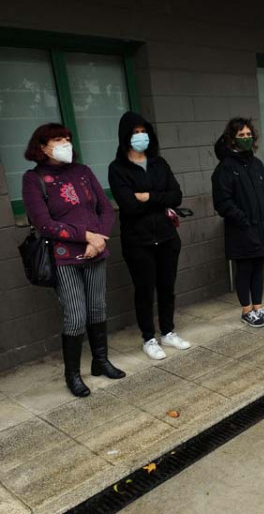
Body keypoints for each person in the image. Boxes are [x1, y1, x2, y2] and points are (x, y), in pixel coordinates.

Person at [22, 123, 123, 397]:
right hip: (64, 257)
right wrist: (86, 236)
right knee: (76, 316)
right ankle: (73, 375)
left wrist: (98, 237)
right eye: (57, 139)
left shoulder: (83, 172)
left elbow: (106, 208)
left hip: (96, 250)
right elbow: (44, 224)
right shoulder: (34, 179)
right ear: (42, 147)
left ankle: (100, 362)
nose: (65, 142)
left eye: (67, 138)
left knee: (98, 308)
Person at [108, 111, 191, 360]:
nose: (140, 136)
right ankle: (149, 338)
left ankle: (168, 331)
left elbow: (176, 196)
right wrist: (157, 197)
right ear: (125, 136)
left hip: (166, 237)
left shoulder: (159, 163)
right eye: (135, 133)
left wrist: (147, 196)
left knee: (167, 287)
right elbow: (129, 206)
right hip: (138, 241)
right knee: (144, 291)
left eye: (144, 132)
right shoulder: (117, 169)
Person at [211, 118, 264, 327]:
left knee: (259, 266)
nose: (246, 139)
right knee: (245, 268)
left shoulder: (257, 164)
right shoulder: (226, 168)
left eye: (249, 135)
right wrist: (243, 220)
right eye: (241, 136)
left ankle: (258, 306)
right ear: (232, 139)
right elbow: (222, 203)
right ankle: (246, 309)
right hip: (242, 229)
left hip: (262, 227)